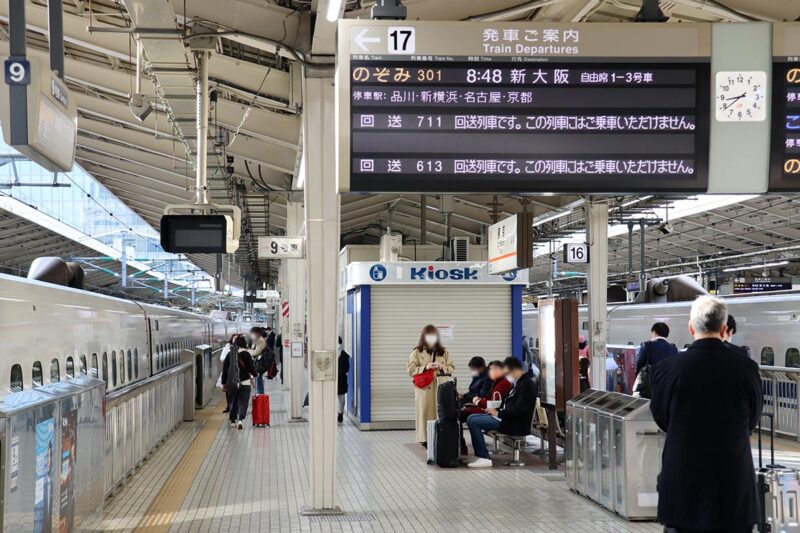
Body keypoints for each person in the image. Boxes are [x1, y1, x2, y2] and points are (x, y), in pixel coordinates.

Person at [650, 296, 762, 533]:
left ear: (691, 328)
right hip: (733, 479)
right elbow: (753, 417)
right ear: (724, 329)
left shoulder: (669, 368)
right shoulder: (746, 367)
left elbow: (660, 416)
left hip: (683, 478)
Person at [466, 357, 537, 468]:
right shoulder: (518, 382)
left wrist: (498, 414)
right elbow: (505, 402)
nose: (506, 375)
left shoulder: (526, 384)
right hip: (506, 417)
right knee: (471, 417)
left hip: (514, 422)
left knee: (473, 421)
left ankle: (484, 457)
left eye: (507, 372)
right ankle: (481, 455)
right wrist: (492, 409)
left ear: (514, 369)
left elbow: (519, 409)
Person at [407, 325, 454, 447]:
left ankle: (441, 437)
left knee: (441, 412)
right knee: (424, 413)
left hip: (441, 386)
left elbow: (452, 367)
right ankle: (425, 439)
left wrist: (441, 366)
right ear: (423, 337)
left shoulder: (443, 352)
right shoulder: (416, 352)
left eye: (433, 335)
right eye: (428, 336)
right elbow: (410, 370)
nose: (431, 338)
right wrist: (425, 367)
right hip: (424, 388)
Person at [459, 360, 513, 455]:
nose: (490, 372)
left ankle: (482, 455)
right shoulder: (496, 382)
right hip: (491, 411)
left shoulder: (503, 383)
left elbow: (494, 403)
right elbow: (489, 398)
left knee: (471, 419)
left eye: (493, 369)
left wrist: (478, 401)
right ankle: (466, 447)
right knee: (467, 416)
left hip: (497, 415)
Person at [221, 336, 258, 429]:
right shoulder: (246, 354)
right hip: (245, 382)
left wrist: (224, 382)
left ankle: (233, 421)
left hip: (232, 383)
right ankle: (240, 420)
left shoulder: (230, 354)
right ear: (244, 344)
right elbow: (251, 367)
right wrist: (255, 374)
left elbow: (225, 370)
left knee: (233, 401)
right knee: (243, 402)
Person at [634, 322, 678, 398]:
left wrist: (639, 378)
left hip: (649, 387)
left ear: (654, 332)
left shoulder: (647, 345)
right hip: (666, 387)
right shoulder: (673, 349)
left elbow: (639, 364)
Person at [248, 327, 268, 393]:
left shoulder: (260, 340)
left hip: (260, 363)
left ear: (257, 333)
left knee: (258, 378)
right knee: (258, 379)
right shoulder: (256, 340)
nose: (252, 334)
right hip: (257, 362)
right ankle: (259, 393)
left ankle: (260, 394)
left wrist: (247, 351)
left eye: (253, 333)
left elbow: (256, 352)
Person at [337, 336, 350, 424]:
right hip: (332, 380)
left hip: (341, 380)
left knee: (342, 400)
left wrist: (340, 372)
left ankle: (340, 413)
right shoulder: (330, 354)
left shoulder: (345, 355)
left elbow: (347, 368)